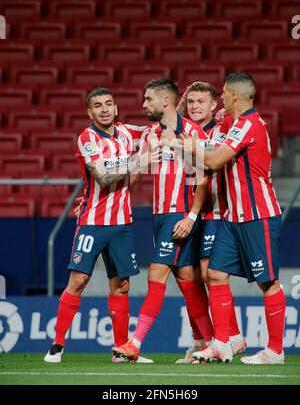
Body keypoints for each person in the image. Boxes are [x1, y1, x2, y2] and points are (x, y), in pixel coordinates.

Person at [169, 72, 285, 364]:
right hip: (232, 218)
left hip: (258, 215)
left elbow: (214, 159)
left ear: (234, 96)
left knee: (267, 282)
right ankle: (222, 343)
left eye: (222, 93)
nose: (220, 98)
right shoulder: (233, 124)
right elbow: (213, 145)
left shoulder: (249, 124)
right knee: (215, 274)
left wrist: (188, 147)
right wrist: (216, 126)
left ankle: (275, 350)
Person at [44, 87, 153, 364]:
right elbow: (103, 179)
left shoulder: (128, 133)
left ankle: (120, 349)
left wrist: (177, 105)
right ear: (89, 112)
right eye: (97, 105)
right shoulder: (87, 139)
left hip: (122, 224)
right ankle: (57, 345)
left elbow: (160, 125)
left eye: (108, 104)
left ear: (116, 108)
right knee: (78, 281)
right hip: (93, 222)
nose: (104, 109)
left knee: (122, 286)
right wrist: (136, 164)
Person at [112, 78, 215, 362]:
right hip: (158, 215)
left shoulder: (191, 132)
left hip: (178, 215)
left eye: (148, 99)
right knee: (187, 279)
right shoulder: (151, 134)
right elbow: (136, 172)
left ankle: (135, 343)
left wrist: (191, 217)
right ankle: (213, 341)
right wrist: (106, 196)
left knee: (156, 274)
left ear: (165, 101)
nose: (143, 105)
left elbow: (202, 179)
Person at [174, 81, 246, 363]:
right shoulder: (183, 130)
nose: (194, 107)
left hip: (213, 212)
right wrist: (183, 97)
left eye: (201, 101)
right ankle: (204, 339)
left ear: (214, 104)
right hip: (186, 211)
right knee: (188, 277)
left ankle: (229, 337)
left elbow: (208, 170)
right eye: (191, 102)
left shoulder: (222, 129)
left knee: (209, 273)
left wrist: (224, 116)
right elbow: (165, 115)